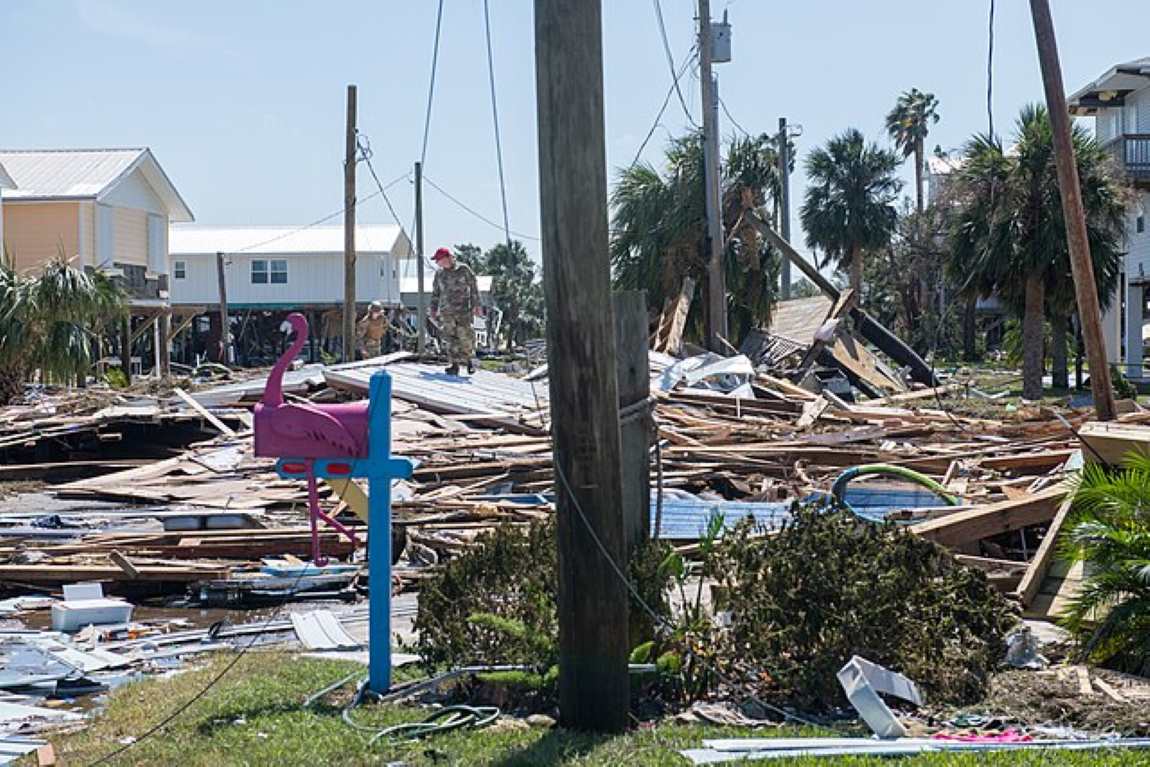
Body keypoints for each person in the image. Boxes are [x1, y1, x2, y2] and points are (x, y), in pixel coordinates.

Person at [429, 246, 481, 375]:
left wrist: (477, 305)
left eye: (438, 260)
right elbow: (436, 293)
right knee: (450, 338)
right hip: (447, 312)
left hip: (463, 310)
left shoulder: (463, 269)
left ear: (447, 258)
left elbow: (474, 287)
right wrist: (433, 309)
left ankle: (470, 362)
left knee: (465, 335)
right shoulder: (439, 274)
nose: (437, 263)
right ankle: (454, 364)